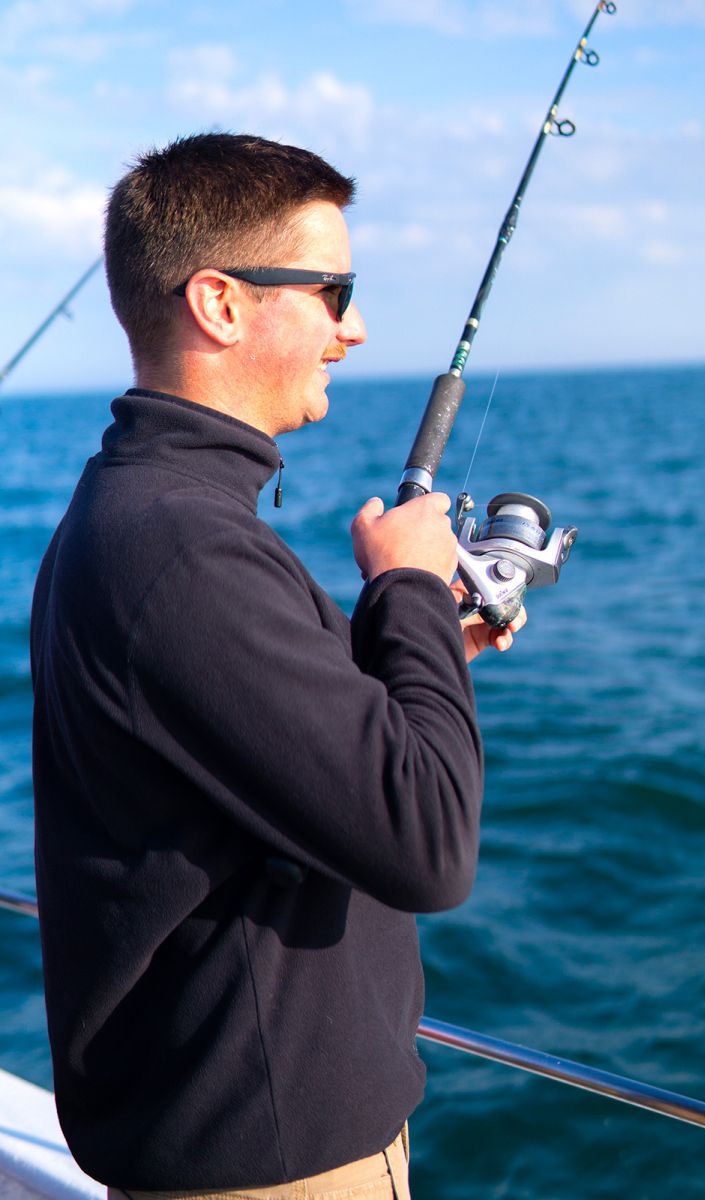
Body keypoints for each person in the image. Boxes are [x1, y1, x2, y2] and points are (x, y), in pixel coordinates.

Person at [30, 132, 525, 1200]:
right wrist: (405, 586)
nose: (354, 327)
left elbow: (247, 751)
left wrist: (423, 644)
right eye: (332, 290)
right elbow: (428, 844)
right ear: (218, 302)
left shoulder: (142, 515)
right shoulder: (183, 547)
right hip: (269, 1169)